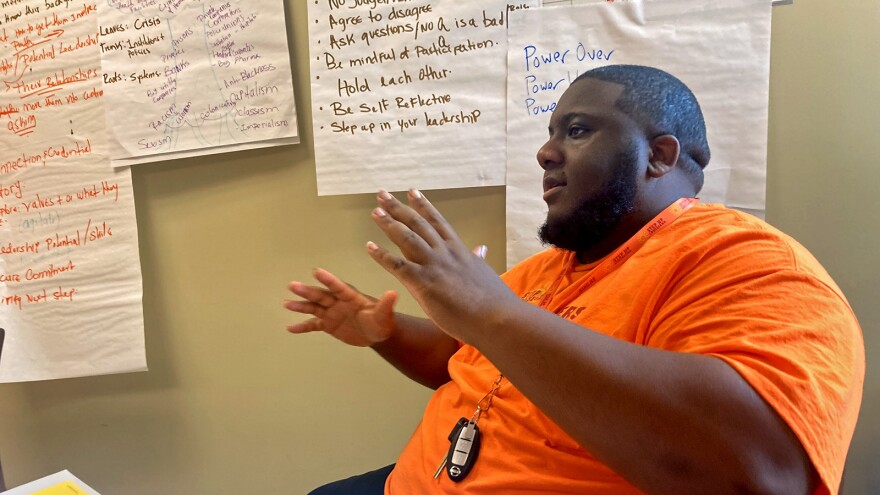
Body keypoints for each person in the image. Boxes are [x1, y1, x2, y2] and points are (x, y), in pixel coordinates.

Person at [284, 65, 864, 495]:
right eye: (552, 132)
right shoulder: (547, 268)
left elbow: (761, 473)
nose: (545, 152)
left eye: (577, 131)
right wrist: (385, 332)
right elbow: (470, 364)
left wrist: (491, 311)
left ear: (659, 156)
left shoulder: (749, 263)